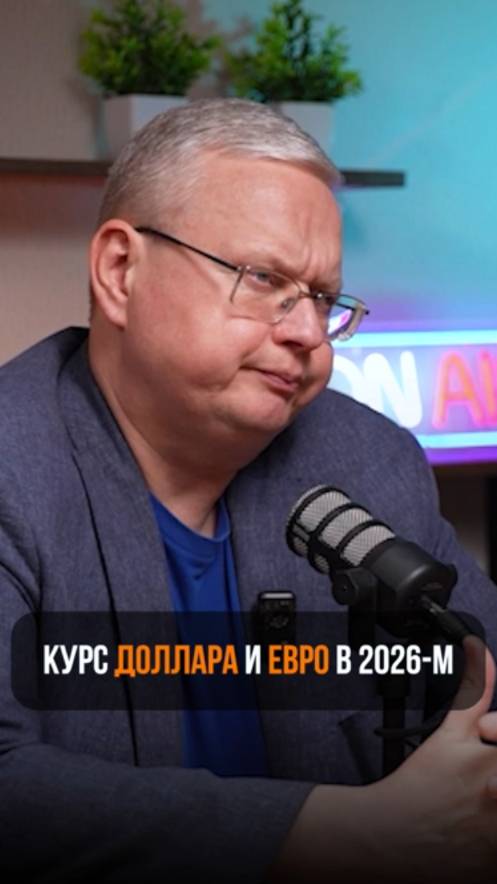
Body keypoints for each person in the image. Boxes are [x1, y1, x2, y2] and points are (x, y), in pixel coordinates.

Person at [1, 97, 497, 883]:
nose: (306, 333)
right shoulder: (13, 466)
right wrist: (344, 835)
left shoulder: (367, 459)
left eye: (322, 299)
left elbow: (479, 668)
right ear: (120, 271)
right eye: (263, 278)